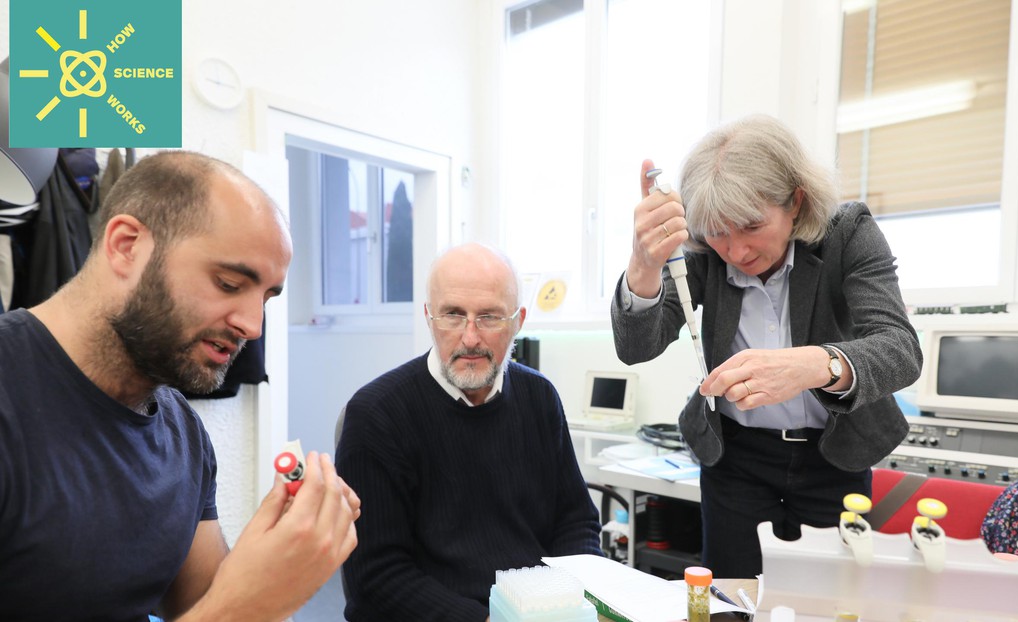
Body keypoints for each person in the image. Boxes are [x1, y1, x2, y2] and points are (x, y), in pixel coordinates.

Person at [0, 151, 361, 621]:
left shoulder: (181, 430)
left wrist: (276, 557)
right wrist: (247, 603)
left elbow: (202, 604)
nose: (253, 326)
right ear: (127, 246)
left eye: (267, 297)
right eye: (230, 283)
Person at [611, 114, 922, 578]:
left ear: (795, 202)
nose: (735, 251)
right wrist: (644, 264)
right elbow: (638, 346)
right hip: (735, 461)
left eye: (751, 226)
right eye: (718, 232)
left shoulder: (847, 234)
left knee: (828, 603)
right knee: (731, 601)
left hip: (834, 455)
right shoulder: (701, 247)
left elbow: (900, 349)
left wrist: (818, 365)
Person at [337, 243, 601, 621]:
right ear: (429, 318)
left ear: (518, 321)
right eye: (453, 315)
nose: (471, 337)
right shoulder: (377, 415)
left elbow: (576, 522)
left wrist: (569, 600)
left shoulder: (539, 397)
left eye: (490, 317)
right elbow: (377, 577)